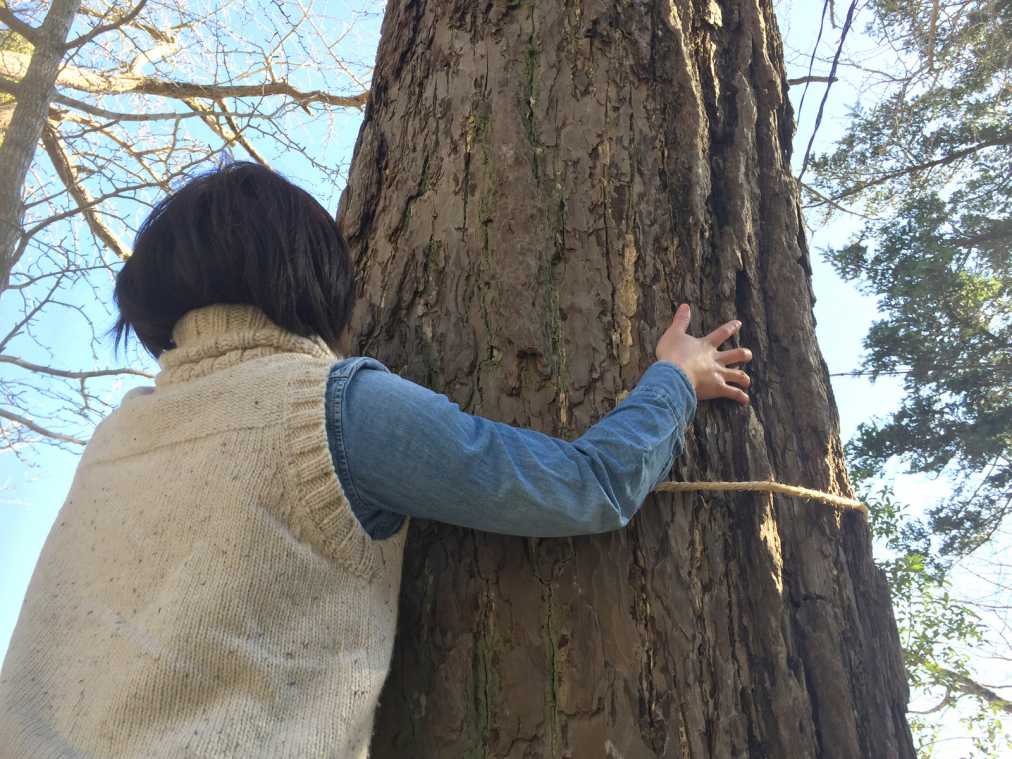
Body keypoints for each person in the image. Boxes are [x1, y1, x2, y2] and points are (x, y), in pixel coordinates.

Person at [0, 162, 752, 758]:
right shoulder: (333, 408)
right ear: (310, 271)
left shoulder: (115, 439)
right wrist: (674, 380)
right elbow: (587, 487)